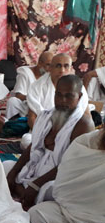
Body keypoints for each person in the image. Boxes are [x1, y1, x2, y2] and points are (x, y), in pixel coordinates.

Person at [5, 75, 94, 211]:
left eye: (69, 96)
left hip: (58, 177)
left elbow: (69, 165)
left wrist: (36, 185)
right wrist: (14, 172)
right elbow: (33, 147)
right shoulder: (46, 116)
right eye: (59, 95)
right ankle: (22, 193)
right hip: (35, 170)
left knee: (49, 189)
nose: (62, 101)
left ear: (79, 97)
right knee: (6, 166)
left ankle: (22, 193)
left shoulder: (83, 124)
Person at [29, 129, 105, 223]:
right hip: (71, 213)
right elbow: (67, 185)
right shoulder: (85, 142)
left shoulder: (83, 123)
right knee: (36, 213)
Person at [27, 53, 73, 129]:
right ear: (50, 68)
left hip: (67, 129)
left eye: (66, 66)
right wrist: (40, 136)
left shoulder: (76, 86)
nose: (62, 70)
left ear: (71, 69)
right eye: (58, 66)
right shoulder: (36, 86)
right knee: (27, 139)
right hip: (42, 128)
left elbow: (81, 114)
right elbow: (32, 117)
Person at [5, 52, 53, 120]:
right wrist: (33, 99)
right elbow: (19, 95)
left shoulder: (49, 75)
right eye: (48, 65)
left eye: (52, 66)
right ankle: (10, 126)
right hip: (26, 105)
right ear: (40, 63)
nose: (50, 69)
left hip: (42, 106)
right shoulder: (25, 73)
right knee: (12, 102)